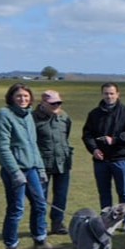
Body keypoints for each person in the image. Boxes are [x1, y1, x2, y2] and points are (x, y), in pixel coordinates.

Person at [0, 83, 54, 249]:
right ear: (11, 97)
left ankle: (40, 240)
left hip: (31, 168)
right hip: (14, 170)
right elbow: (3, 147)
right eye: (19, 96)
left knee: (40, 204)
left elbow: (33, 145)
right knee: (16, 208)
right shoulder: (4, 114)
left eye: (26, 96)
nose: (23, 99)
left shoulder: (28, 115)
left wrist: (40, 168)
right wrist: (15, 172)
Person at [82, 82, 125, 231]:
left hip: (121, 160)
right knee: (104, 193)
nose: (109, 96)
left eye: (112, 93)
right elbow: (87, 135)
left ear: (117, 94)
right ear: (102, 94)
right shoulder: (94, 114)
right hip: (101, 161)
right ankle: (106, 221)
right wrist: (94, 149)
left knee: (124, 192)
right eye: (106, 93)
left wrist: (114, 140)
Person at [33, 90, 73, 235]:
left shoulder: (64, 116)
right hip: (42, 164)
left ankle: (57, 223)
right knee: (40, 197)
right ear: (43, 103)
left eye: (58, 103)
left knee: (61, 195)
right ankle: (40, 226)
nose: (56, 105)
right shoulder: (33, 118)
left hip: (62, 162)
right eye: (52, 103)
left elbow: (66, 136)